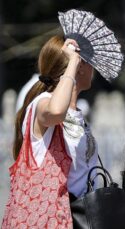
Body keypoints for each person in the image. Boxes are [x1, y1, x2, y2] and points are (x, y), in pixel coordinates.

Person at [2, 36, 99, 228]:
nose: (93, 68)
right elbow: (56, 111)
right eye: (89, 62)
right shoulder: (42, 103)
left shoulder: (79, 116)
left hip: (76, 218)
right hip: (47, 219)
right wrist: (72, 61)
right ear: (79, 65)